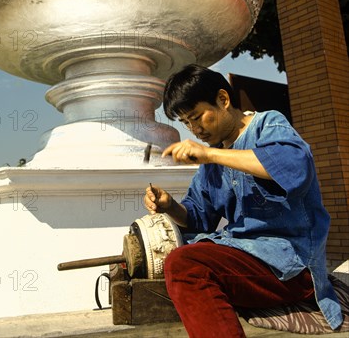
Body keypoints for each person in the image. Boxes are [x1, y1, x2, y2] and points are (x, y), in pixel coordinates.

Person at [144, 65, 342, 337]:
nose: (195, 129)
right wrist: (170, 206)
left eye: (197, 117)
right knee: (165, 259)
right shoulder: (211, 158)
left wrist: (211, 155)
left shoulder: (268, 125)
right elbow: (198, 218)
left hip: (291, 265)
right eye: (186, 123)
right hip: (245, 255)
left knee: (186, 266)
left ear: (223, 100)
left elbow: (295, 170)